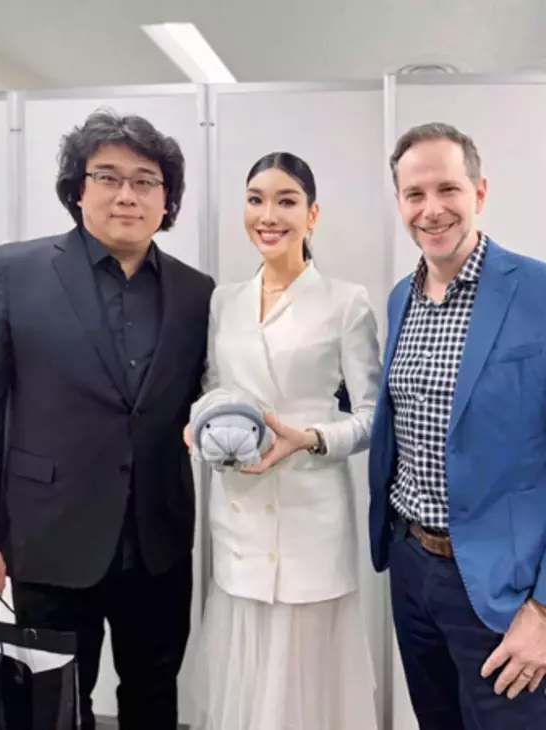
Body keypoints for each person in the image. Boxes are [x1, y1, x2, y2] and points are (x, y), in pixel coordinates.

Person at [0, 110, 214, 730]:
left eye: (145, 181)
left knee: (155, 698)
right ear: (78, 189)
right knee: (53, 711)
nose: (127, 195)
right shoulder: (12, 273)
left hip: (158, 542)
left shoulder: (197, 292)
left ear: (167, 199)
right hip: (49, 541)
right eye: (108, 177)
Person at [187, 152, 381, 730]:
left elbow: (373, 416)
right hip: (240, 513)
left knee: (305, 691)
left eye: (286, 201)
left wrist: (311, 438)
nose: (268, 215)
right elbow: (213, 386)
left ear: (312, 214)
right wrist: (200, 421)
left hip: (310, 520)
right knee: (245, 688)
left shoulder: (346, 301)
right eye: (256, 200)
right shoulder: (225, 301)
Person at [368, 122, 546, 729]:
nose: (432, 209)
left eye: (448, 189)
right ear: (400, 203)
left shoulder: (537, 292)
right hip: (412, 567)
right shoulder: (401, 298)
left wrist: (544, 610)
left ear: (479, 191)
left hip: (506, 586)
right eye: (414, 194)